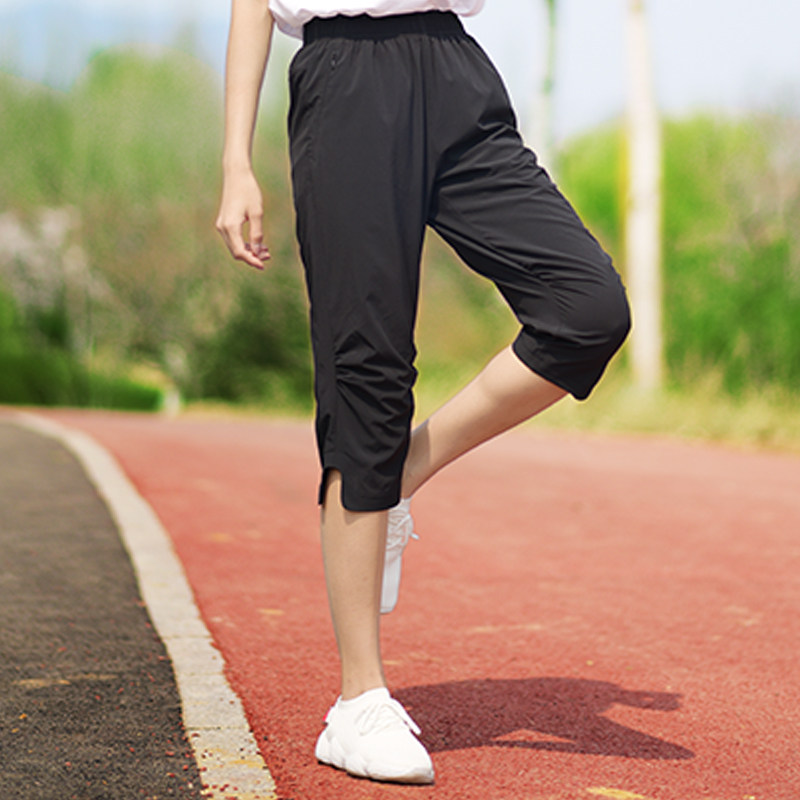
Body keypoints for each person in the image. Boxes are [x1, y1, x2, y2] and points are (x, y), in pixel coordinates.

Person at [216, 0, 631, 786]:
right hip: (345, 74)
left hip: (454, 69)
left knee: (588, 308)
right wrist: (236, 158)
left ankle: (401, 471)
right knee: (365, 371)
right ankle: (358, 701)